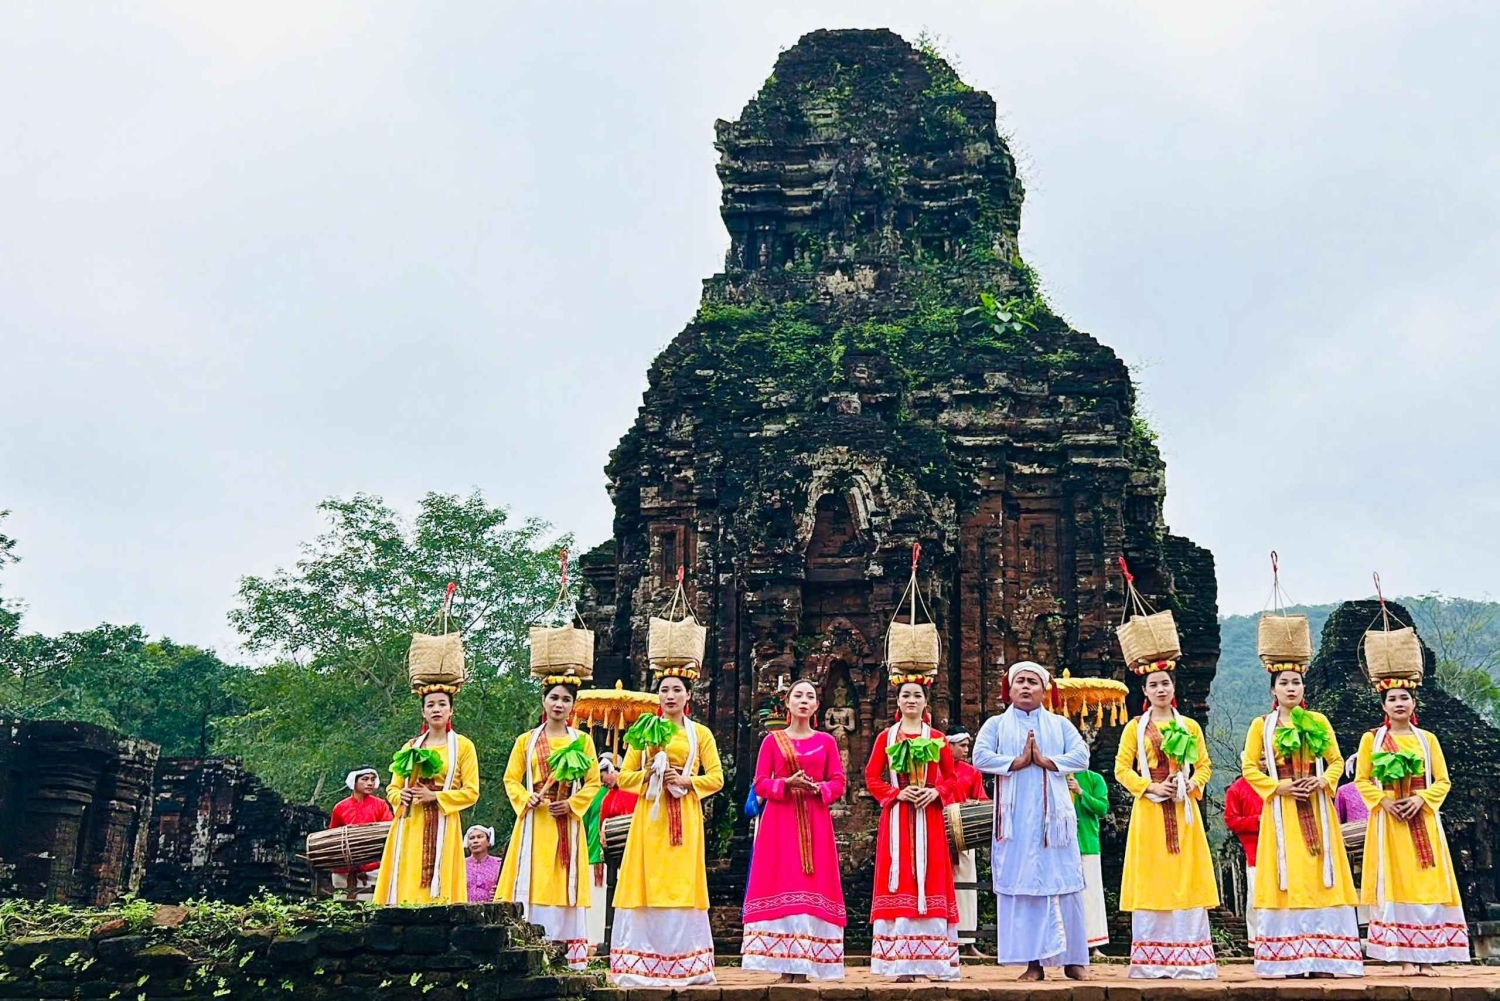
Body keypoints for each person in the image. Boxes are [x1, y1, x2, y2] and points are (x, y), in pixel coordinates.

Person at [972, 661, 1091, 982]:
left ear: (1044, 689)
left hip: (1056, 825)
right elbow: (979, 757)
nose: (1026, 687)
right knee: (1023, 887)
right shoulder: (995, 724)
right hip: (1015, 825)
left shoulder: (1060, 725)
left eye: (1032, 682)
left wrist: (1047, 761)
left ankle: (1074, 959)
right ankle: (1032, 963)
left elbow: (1082, 756)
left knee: (1065, 886)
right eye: (1020, 682)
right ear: (1009, 690)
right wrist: (1017, 762)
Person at [1240, 663, 1362, 978]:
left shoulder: (1318, 721)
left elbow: (1335, 761)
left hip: (1319, 810)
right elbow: (1250, 767)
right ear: (1273, 690)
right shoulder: (1261, 726)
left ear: (1303, 688)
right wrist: (1278, 786)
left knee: (1322, 875)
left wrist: (1323, 782)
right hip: (1282, 812)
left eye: (1296, 682)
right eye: (1284, 683)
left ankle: (1326, 959)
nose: (1291, 688)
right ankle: (1290, 960)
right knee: (1288, 874)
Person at [610, 665, 724, 987]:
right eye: (664, 690)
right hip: (651, 817)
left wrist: (687, 781)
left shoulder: (700, 734)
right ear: (657, 696)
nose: (670, 695)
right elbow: (623, 777)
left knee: (682, 880)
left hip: (685, 815)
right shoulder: (645, 730)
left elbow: (716, 777)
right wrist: (651, 773)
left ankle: (687, 965)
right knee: (646, 879)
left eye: (676, 690)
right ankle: (642, 965)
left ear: (688, 695)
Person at [1354, 680, 1469, 973]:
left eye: (1404, 697)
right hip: (1389, 822)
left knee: (1426, 883)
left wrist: (1421, 800)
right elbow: (1362, 780)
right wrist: (1384, 802)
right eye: (1392, 699)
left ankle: (1428, 957)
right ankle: (1405, 957)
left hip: (1423, 817)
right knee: (1395, 881)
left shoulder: (1427, 740)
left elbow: (1442, 780)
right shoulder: (1373, 739)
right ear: (1384, 706)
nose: (1399, 703)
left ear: (1414, 703)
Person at [1115, 659, 1219, 979]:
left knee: (1185, 876)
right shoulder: (1135, 728)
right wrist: (1149, 786)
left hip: (1183, 810)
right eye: (1154, 685)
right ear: (1145, 691)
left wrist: (1192, 783)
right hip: (1150, 811)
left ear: (1174, 688)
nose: (1161, 689)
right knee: (1152, 876)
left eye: (1165, 683)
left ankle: (1189, 960)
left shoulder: (1189, 726)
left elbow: (1204, 765)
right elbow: (1122, 769)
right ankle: (1152, 962)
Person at [742, 679, 848, 982]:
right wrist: (786, 784)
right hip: (780, 819)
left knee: (810, 884)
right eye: (798, 695)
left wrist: (817, 788)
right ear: (787, 703)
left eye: (810, 696)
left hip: (815, 818)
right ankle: (784, 966)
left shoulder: (826, 742)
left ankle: (805, 965)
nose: (804, 700)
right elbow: (760, 782)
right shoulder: (772, 741)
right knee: (782, 881)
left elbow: (838, 782)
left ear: (816, 706)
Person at [496, 677, 602, 970]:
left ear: (573, 705)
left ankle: (567, 953)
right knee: (532, 877)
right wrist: (525, 797)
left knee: (562, 879)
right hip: (534, 823)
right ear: (544, 700)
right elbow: (511, 779)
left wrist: (571, 804)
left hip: (567, 822)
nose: (559, 704)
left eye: (566, 699)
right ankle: (528, 943)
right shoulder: (526, 741)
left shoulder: (582, 741)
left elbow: (592, 782)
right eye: (554, 697)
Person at [865, 673, 961, 982]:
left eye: (917, 696)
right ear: (898, 700)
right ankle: (900, 964)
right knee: (900, 876)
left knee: (930, 875)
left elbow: (952, 777)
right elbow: (872, 777)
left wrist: (935, 792)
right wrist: (896, 793)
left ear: (925, 702)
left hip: (930, 818)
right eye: (906, 695)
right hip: (897, 820)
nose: (911, 700)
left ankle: (931, 964)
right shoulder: (886, 738)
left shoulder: (937, 738)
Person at [374, 684, 481, 905]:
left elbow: (471, 792)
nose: (436, 709)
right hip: (410, 824)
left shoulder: (463, 746)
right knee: (407, 875)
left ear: (451, 710)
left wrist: (436, 796)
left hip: (444, 823)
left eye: (442, 704)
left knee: (441, 882)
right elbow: (392, 789)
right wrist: (400, 796)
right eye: (430, 705)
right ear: (423, 712)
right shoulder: (410, 747)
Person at [942, 729, 989, 957]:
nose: (966, 749)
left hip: (964, 835)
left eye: (967, 745)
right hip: (938, 834)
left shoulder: (972, 773)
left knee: (967, 887)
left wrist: (972, 805)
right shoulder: (935, 770)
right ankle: (942, 939)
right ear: (948, 746)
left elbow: (982, 801)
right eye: (962, 745)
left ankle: (968, 942)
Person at [583, 752, 635, 954]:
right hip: (597, 853)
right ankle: (595, 941)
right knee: (598, 901)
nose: (604, 776)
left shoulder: (632, 791)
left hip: (627, 856)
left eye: (608, 771)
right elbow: (588, 823)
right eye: (601, 772)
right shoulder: (595, 795)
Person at [328, 765, 394, 899]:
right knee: (342, 906)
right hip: (344, 868)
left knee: (371, 904)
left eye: (372, 779)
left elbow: (388, 831)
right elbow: (333, 835)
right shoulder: (340, 807)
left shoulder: (380, 805)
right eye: (365, 779)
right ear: (354, 781)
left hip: (373, 866)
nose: (370, 783)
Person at [1068, 758, 1110, 956]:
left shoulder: (1095, 779)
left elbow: (1102, 808)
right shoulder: (1058, 778)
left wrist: (1080, 792)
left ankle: (1093, 944)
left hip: (1087, 843)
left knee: (1091, 895)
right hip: (1063, 846)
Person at [1223, 774, 1262, 947]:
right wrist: (1258, 820)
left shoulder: (1278, 782)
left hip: (1283, 847)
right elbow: (1231, 820)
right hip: (1254, 850)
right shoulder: (1237, 789)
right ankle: (1259, 942)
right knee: (1257, 897)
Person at [466, 826, 500, 903]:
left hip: (492, 911)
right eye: (471, 838)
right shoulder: (460, 865)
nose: (475, 841)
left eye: (480, 837)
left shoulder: (499, 864)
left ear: (488, 841)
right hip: (464, 911)